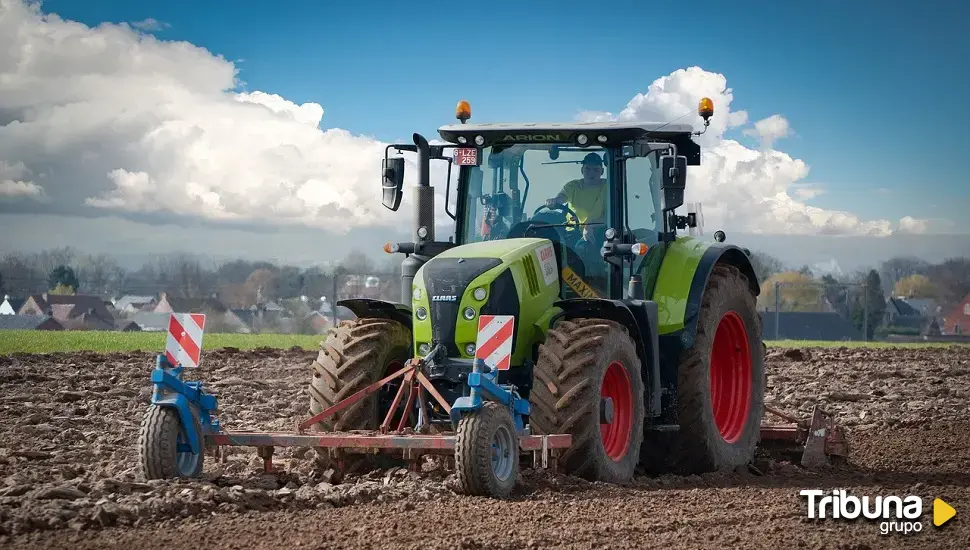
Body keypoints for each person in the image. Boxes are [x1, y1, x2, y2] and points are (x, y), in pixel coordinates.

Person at [545, 152, 608, 242]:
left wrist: (589, 225)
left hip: (599, 232)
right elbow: (562, 198)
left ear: (602, 171)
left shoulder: (608, 187)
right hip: (572, 232)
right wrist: (554, 201)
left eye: (596, 170)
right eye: (587, 169)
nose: (591, 173)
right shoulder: (573, 186)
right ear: (582, 170)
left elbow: (609, 216)